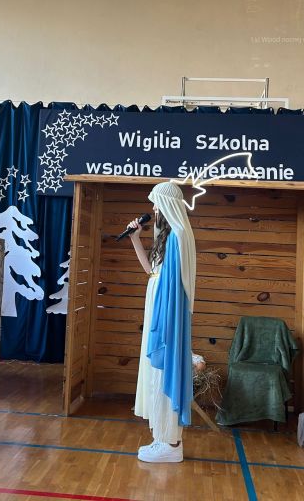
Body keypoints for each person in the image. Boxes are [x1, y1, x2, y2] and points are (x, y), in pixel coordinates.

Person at [128, 181, 196, 463]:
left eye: (156, 202)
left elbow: (176, 287)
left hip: (167, 312)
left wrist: (164, 321)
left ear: (168, 205)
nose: (153, 208)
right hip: (157, 305)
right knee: (155, 373)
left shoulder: (179, 236)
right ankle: (162, 438)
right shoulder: (168, 236)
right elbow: (152, 273)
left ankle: (171, 443)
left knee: (165, 369)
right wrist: (135, 239)